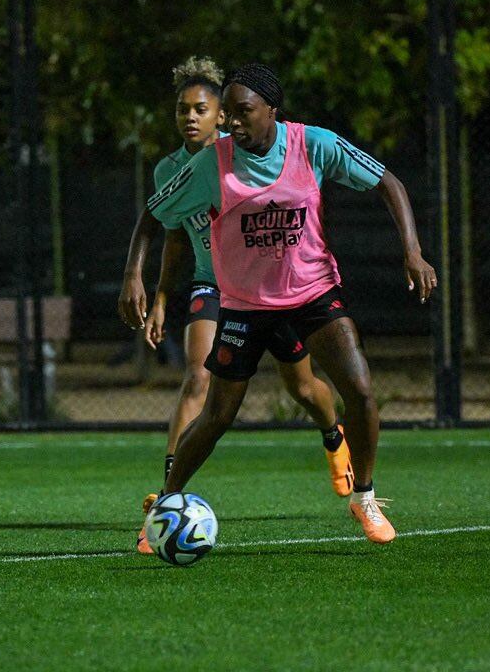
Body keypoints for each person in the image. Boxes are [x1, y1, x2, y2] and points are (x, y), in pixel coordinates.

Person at [147, 63, 437, 544]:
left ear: (271, 111)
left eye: (243, 113)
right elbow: (155, 215)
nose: (233, 123)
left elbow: (390, 183)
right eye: (230, 114)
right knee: (217, 415)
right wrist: (140, 281)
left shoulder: (313, 144)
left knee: (360, 390)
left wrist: (412, 250)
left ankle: (364, 498)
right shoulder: (211, 162)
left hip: (313, 293)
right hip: (243, 303)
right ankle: (165, 502)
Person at [119, 57, 352, 555]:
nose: (190, 118)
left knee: (306, 389)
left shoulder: (240, 153)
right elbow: (174, 235)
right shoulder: (172, 169)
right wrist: (160, 296)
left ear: (222, 115)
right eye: (182, 110)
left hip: (271, 289)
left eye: (201, 109)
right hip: (213, 287)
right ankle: (166, 501)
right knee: (198, 379)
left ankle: (333, 435)